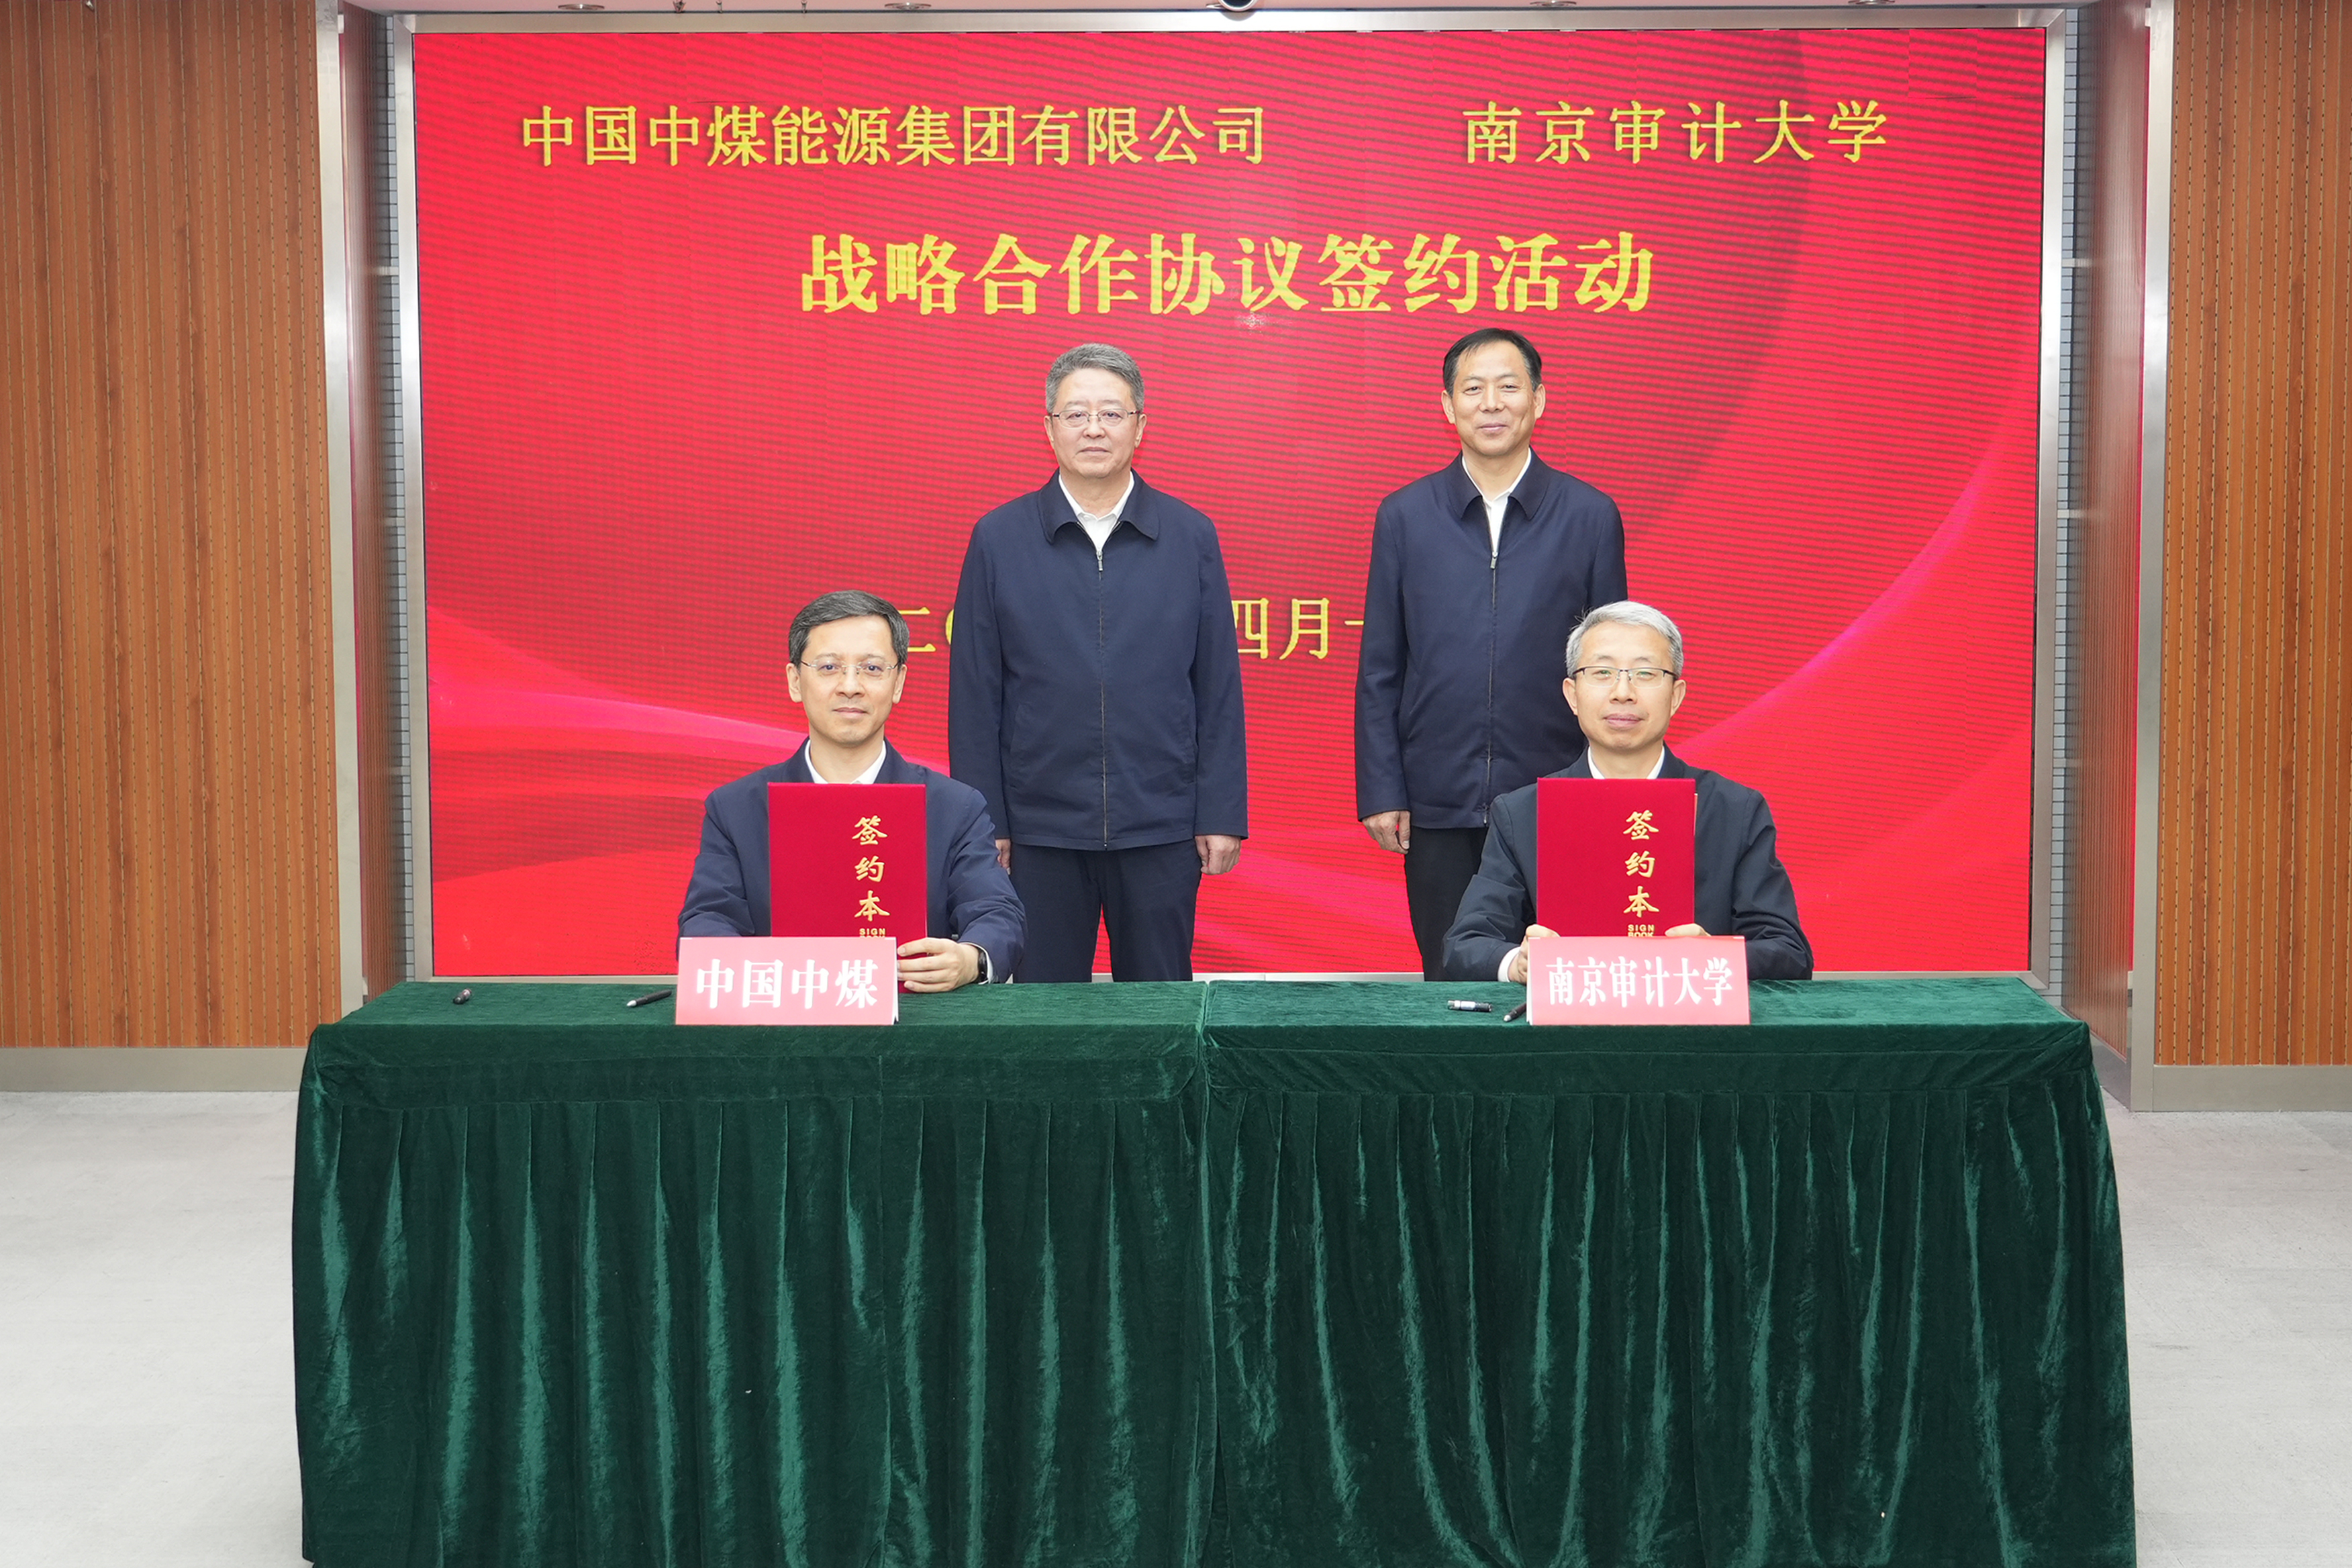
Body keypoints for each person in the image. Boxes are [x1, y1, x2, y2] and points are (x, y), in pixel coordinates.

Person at [949, 343, 1248, 982]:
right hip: (1040, 830)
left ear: (1140, 427)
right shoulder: (999, 537)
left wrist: (1220, 813)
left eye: (1111, 414)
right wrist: (984, 820)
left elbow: (1218, 685)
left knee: (1161, 1007)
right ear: (1049, 427)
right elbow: (976, 691)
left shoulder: (1190, 534)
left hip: (1161, 823)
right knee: (1044, 1014)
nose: (1093, 428)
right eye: (1075, 414)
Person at [1356, 326, 1629, 980]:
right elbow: (1381, 668)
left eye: (1509, 386)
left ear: (1539, 399)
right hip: (1438, 801)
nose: (1491, 403)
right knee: (1451, 981)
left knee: (1564, 982)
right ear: (1448, 406)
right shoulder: (1405, 516)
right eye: (1473, 388)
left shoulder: (1589, 515)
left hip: (1557, 800)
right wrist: (1383, 789)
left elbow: (1613, 670)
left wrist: (1609, 790)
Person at [1442, 600, 1812, 984]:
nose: (1623, 692)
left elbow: (1788, 951)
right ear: (1572, 694)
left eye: (1645, 673)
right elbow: (1466, 946)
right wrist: (1518, 963)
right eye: (1602, 672)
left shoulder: (1735, 810)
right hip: (1571, 1017)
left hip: (1689, 1014)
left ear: (1676, 696)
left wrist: (1715, 956)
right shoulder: (1523, 813)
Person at [679, 590, 1023, 991]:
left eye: (872, 668)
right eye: (829, 667)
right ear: (795, 681)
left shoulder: (954, 807)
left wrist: (970, 959)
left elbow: (997, 913)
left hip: (915, 1018)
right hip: (779, 1016)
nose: (850, 686)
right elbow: (708, 919)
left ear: (898, 682)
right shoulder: (735, 809)